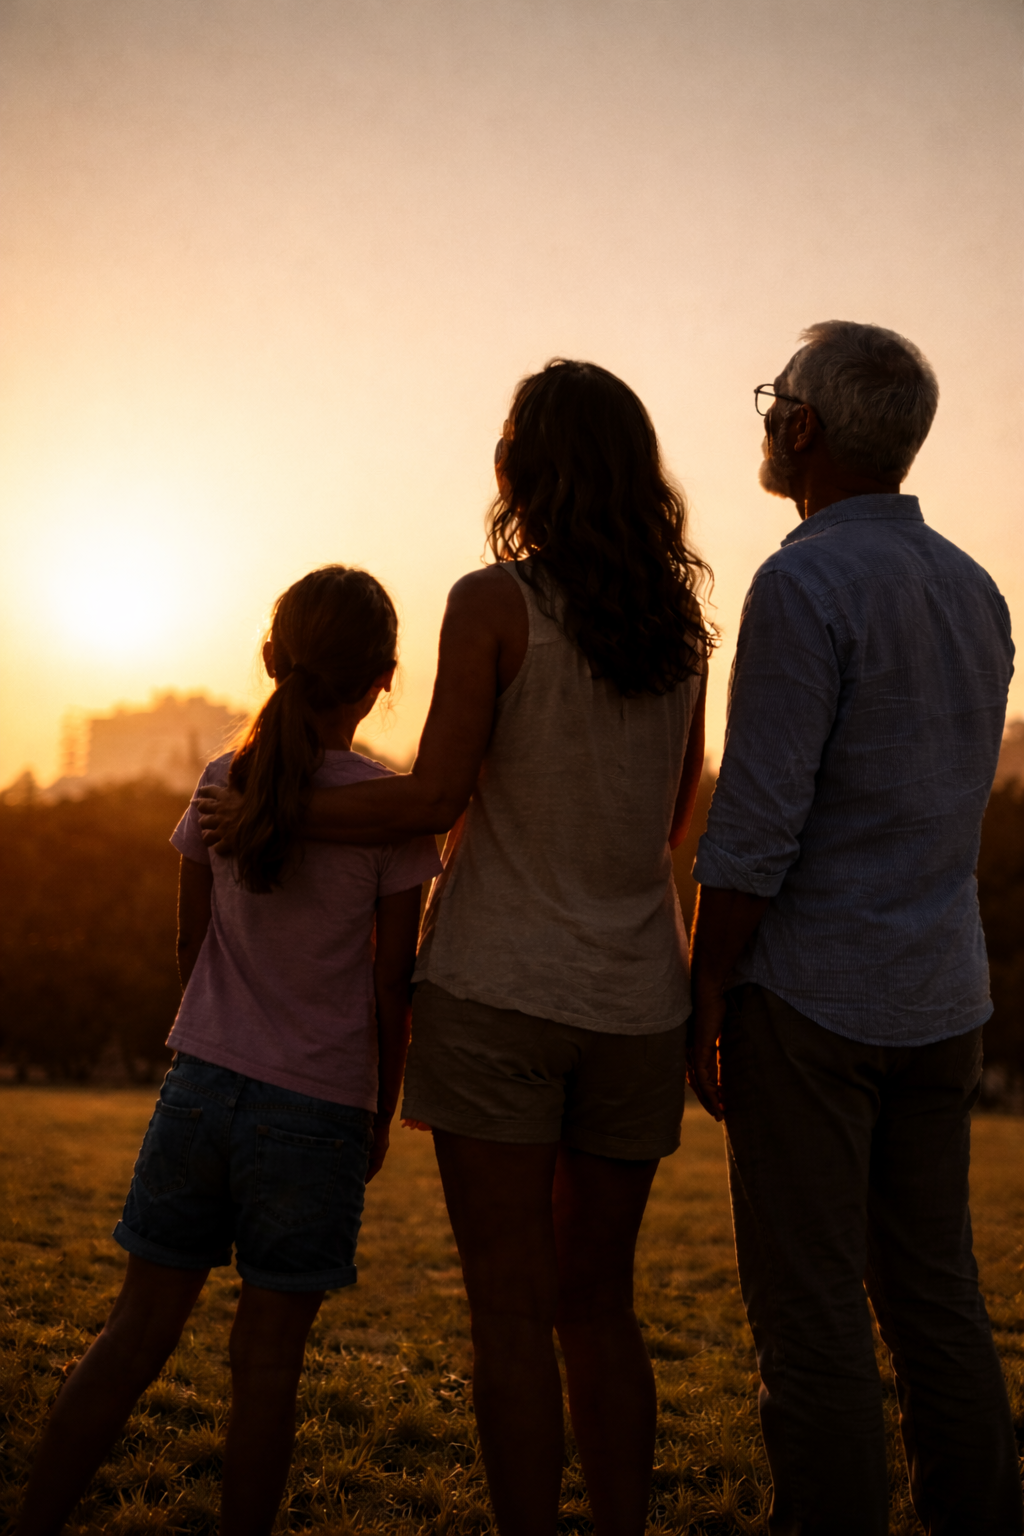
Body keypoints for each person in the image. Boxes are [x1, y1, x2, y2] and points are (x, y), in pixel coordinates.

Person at [201, 358, 714, 1536]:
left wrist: (273, 808)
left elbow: (432, 797)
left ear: (521, 468)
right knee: (603, 1309)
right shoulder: (682, 633)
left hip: (497, 994)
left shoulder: (492, 603)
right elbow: (670, 822)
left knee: (510, 1313)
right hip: (640, 1002)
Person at [16, 565, 442, 1536]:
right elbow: (392, 984)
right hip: (319, 1111)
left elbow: (191, 945)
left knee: (132, 1336)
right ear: (384, 678)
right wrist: (378, 1112)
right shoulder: (388, 810)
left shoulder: (223, 781)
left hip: (200, 1090)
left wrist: (221, 1035)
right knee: (268, 1369)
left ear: (270, 657)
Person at [687, 322, 1021, 1536]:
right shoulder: (976, 590)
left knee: (811, 1310)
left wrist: (705, 988)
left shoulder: (802, 583)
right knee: (937, 1299)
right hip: (940, 999)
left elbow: (756, 824)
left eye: (775, 400)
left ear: (803, 427)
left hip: (810, 1002)